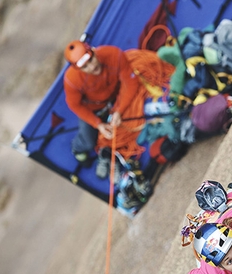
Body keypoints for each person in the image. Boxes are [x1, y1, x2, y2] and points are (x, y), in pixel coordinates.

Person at [63, 40, 174, 181]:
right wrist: (97, 124)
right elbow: (75, 105)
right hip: (94, 109)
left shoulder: (113, 54)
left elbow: (131, 83)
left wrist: (120, 111)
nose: (92, 67)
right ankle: (78, 148)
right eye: (85, 66)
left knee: (134, 116)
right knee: (89, 142)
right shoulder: (72, 80)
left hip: (115, 98)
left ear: (93, 51)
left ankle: (109, 153)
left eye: (91, 60)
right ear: (78, 69)